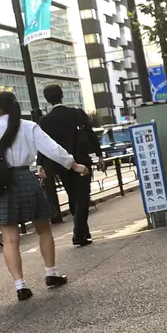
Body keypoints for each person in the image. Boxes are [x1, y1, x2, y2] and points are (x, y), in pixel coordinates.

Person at [0, 92, 90, 301]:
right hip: (25, 179)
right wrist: (75, 166)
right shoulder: (28, 126)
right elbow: (52, 149)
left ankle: (20, 286)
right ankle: (51, 273)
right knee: (43, 228)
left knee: (10, 239)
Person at [36, 83, 103, 247]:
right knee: (83, 196)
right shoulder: (77, 113)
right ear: (62, 95)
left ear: (47, 99)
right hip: (82, 160)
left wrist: (40, 163)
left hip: (61, 165)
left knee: (73, 196)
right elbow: (90, 134)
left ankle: (83, 232)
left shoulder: (45, 121)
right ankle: (79, 233)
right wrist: (99, 154)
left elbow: (43, 144)